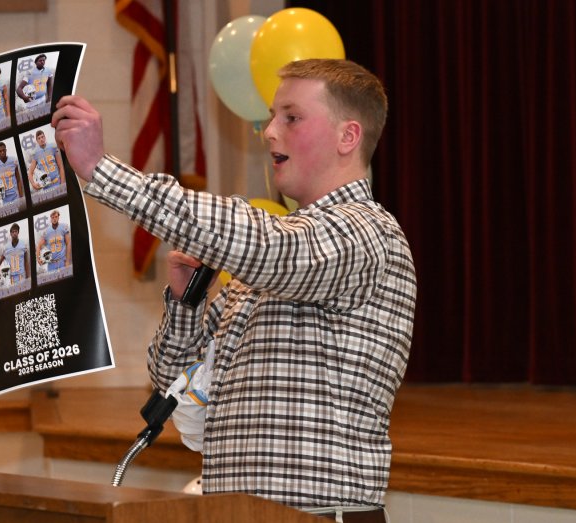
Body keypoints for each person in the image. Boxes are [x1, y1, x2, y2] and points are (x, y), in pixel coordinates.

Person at [52, 59, 416, 519]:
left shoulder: (365, 233)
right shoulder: (265, 267)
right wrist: (187, 304)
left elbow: (266, 245)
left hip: (318, 515)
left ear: (348, 137)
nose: (268, 132)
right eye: (271, 116)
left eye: (291, 117)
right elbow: (171, 384)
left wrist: (103, 170)